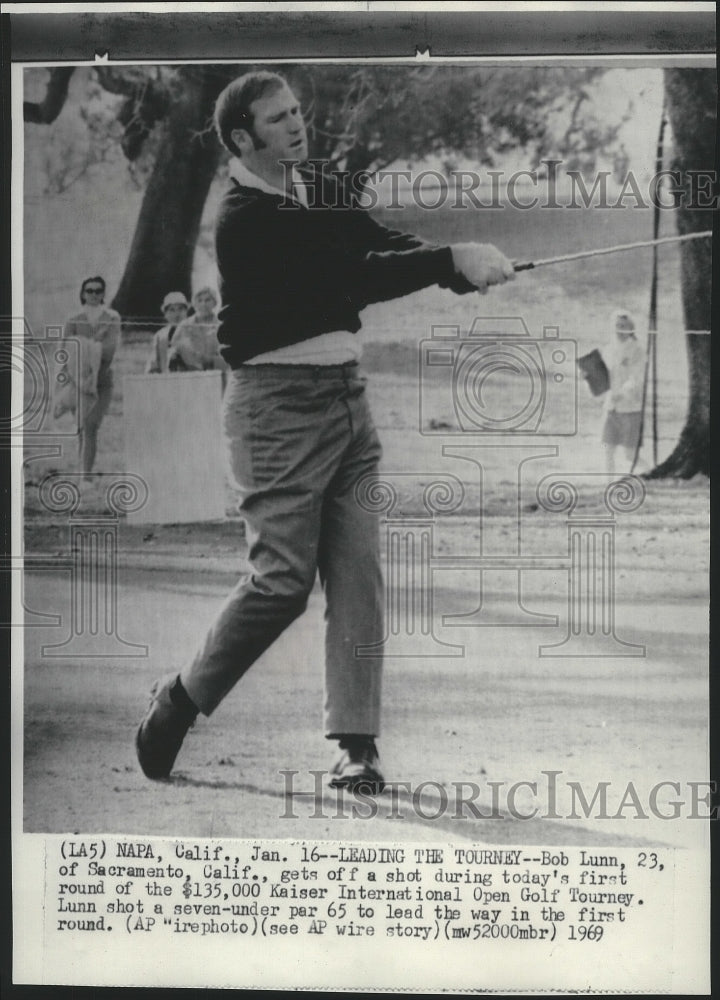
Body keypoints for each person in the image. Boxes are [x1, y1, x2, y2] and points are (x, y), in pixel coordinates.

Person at [135, 70, 515, 792]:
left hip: (349, 401)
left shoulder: (320, 186)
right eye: (277, 120)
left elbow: (377, 240)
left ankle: (356, 747)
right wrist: (445, 262)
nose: (296, 125)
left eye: (297, 112)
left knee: (359, 575)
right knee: (281, 584)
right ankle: (179, 698)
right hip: (275, 412)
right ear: (243, 138)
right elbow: (349, 271)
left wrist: (460, 265)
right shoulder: (243, 217)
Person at [62, 276, 121, 478]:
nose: (94, 294)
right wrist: (95, 342)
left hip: (102, 382)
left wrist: (84, 345)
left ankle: (85, 475)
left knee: (91, 426)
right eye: (89, 290)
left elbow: (109, 351)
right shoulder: (73, 319)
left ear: (104, 293)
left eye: (98, 291)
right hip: (77, 383)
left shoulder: (112, 318)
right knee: (82, 429)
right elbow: (67, 352)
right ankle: (83, 471)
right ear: (83, 293)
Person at [601, 309, 646, 473]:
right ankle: (608, 486)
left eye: (624, 326)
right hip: (611, 407)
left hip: (630, 408)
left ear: (631, 329)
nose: (620, 330)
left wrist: (623, 392)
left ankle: (650, 475)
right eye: (617, 326)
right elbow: (603, 377)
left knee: (630, 454)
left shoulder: (637, 350)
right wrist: (587, 376)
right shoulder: (608, 349)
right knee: (608, 450)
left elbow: (637, 378)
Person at [167, 286, 226, 373]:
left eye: (207, 300)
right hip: (190, 375)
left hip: (216, 373)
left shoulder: (221, 325)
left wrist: (210, 360)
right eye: (200, 300)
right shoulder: (185, 325)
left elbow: (227, 356)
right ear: (194, 304)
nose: (203, 304)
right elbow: (174, 350)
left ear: (215, 302)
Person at [145, 291, 189, 374]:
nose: (177, 314)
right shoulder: (160, 335)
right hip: (167, 380)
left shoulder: (193, 331)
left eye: (180, 309)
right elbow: (153, 364)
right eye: (172, 310)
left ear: (186, 312)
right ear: (165, 314)